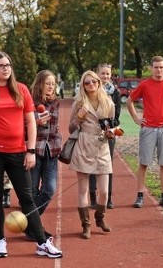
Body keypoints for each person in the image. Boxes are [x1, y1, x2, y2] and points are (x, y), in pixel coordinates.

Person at [0, 51, 62, 259]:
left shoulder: (21, 89)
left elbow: (31, 121)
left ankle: (41, 242)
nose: (6, 68)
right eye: (1, 65)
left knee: (27, 198)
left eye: (8, 64)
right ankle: (0, 241)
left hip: (18, 152)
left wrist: (30, 150)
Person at [126, 56, 163, 208]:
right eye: (156, 67)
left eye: (161, 67)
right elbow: (130, 100)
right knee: (144, 163)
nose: (158, 70)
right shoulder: (145, 84)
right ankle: (140, 195)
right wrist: (136, 119)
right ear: (151, 68)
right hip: (149, 128)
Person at [68, 70, 115, 239]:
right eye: (87, 83)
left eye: (94, 82)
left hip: (102, 147)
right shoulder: (78, 102)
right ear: (83, 85)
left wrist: (112, 133)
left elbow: (112, 125)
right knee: (83, 190)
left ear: (99, 83)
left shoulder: (108, 102)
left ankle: (100, 218)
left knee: (104, 191)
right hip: (84, 145)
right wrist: (79, 117)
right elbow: (71, 129)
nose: (91, 85)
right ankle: (85, 225)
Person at [29, 70, 62, 215]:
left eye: (53, 84)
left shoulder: (56, 102)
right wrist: (36, 122)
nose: (51, 86)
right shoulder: (29, 102)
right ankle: (34, 227)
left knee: (49, 189)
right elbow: (21, 128)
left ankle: (29, 221)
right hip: (34, 150)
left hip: (52, 150)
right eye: (47, 83)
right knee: (32, 190)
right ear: (40, 84)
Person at [89, 63, 121, 209]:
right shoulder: (91, 90)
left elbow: (117, 117)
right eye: (103, 73)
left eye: (108, 74)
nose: (105, 76)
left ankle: (108, 198)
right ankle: (93, 197)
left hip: (109, 133)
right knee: (91, 165)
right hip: (92, 134)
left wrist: (108, 124)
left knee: (108, 166)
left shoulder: (116, 92)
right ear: (97, 74)